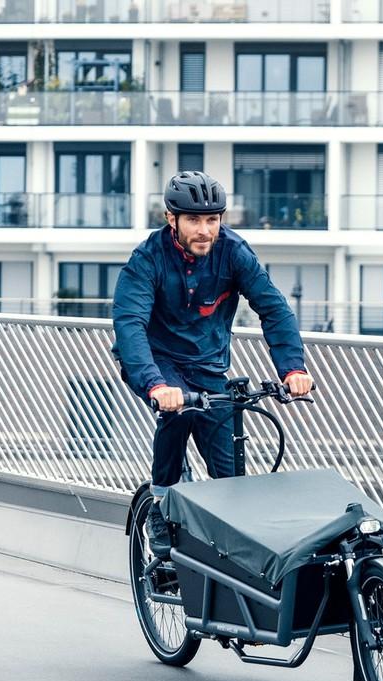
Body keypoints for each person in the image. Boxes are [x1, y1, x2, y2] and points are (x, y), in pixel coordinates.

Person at [112, 170, 314, 555]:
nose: (204, 230)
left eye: (212, 220)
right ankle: (160, 499)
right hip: (157, 361)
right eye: (193, 220)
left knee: (230, 477)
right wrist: (155, 384)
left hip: (208, 365)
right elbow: (130, 324)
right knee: (180, 412)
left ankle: (227, 565)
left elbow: (273, 310)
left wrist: (292, 369)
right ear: (172, 219)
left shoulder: (234, 253)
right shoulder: (147, 259)